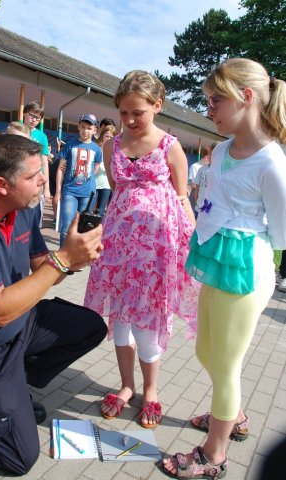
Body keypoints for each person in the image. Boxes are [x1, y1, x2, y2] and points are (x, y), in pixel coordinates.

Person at [0, 134, 107, 475]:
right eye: (33, 176)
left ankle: (11, 390)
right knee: (18, 459)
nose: (43, 180)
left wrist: (74, 257)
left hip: (18, 325)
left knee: (90, 327)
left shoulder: (23, 209)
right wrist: (62, 260)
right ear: (1, 184)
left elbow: (42, 268)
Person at [161, 58, 286, 479]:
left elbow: (283, 235)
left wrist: (241, 234)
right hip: (217, 260)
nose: (209, 109)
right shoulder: (223, 150)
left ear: (247, 97)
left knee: (227, 364)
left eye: (215, 100)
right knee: (204, 351)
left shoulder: (272, 162)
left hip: (246, 270)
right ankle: (234, 415)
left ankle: (213, 455)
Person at [84, 70, 199, 428]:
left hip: (156, 252)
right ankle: (126, 386)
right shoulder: (111, 145)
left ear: (157, 106)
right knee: (120, 322)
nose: (131, 120)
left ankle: (151, 391)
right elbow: (118, 187)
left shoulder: (170, 146)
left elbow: (181, 197)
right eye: (124, 113)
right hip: (119, 248)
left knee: (148, 324)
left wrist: (195, 240)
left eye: (139, 113)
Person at [54, 114, 102, 246]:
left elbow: (94, 170)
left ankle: (76, 256)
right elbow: (60, 169)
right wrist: (58, 192)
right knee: (66, 226)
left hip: (87, 193)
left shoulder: (97, 150)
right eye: (83, 127)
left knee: (83, 227)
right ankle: (63, 256)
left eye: (89, 128)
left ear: (94, 130)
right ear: (78, 127)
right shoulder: (70, 145)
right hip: (70, 191)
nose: (85, 130)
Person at [23, 101, 51, 226]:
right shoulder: (15, 128)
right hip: (18, 177)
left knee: (33, 215)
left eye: (38, 118)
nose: (34, 120)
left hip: (35, 180)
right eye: (32, 115)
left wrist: (47, 189)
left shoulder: (42, 136)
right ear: (24, 113)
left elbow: (44, 162)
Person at [94, 124, 117, 217]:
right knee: (89, 209)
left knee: (100, 211)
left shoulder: (114, 152)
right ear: (102, 136)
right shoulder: (95, 148)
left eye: (111, 137)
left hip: (106, 185)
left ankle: (96, 230)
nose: (108, 138)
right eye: (106, 136)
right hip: (93, 183)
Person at [193, 142, 220, 216]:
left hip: (213, 211)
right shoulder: (202, 169)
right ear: (209, 153)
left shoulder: (221, 172)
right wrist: (196, 204)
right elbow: (197, 189)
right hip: (199, 209)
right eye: (211, 154)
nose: (213, 157)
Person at [188, 146, 211, 215]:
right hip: (196, 193)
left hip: (204, 195)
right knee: (195, 213)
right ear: (206, 157)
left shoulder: (208, 168)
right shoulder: (195, 166)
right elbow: (193, 183)